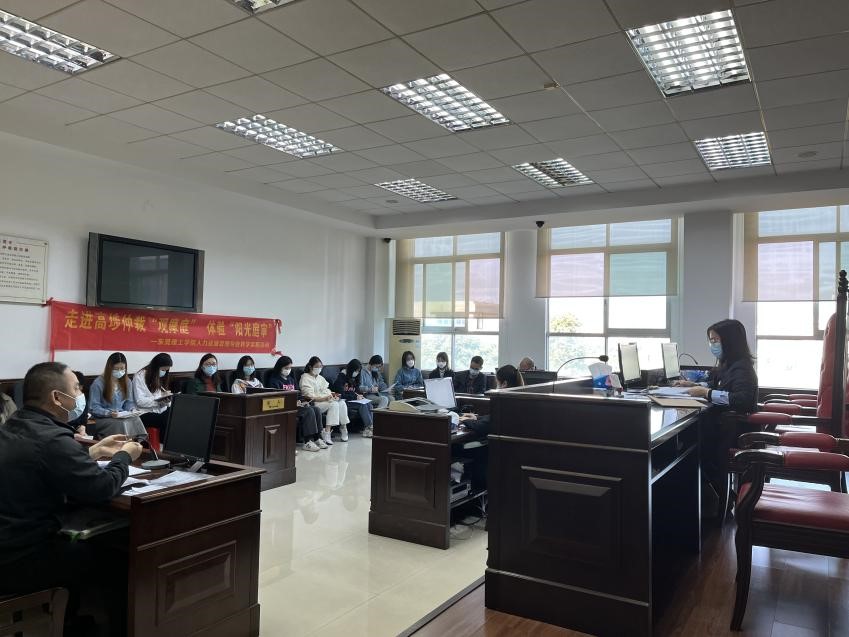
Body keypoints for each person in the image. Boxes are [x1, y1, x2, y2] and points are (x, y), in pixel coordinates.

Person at [0, 362, 143, 636]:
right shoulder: (53, 438)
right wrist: (124, 455)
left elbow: (41, 463)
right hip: (20, 559)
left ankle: (67, 619)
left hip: (8, 544)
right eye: (76, 388)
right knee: (120, 560)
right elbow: (103, 487)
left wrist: (94, 451)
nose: (80, 395)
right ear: (57, 397)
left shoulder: (16, 424)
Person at [677, 319, 758, 512]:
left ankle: (710, 498)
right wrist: (698, 386)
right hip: (724, 427)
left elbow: (742, 400)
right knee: (688, 439)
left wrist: (707, 393)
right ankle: (705, 495)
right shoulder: (729, 364)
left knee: (688, 442)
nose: (712, 345)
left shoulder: (741, 367)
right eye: (711, 340)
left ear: (730, 341)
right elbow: (721, 386)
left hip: (734, 432)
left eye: (716, 340)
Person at [267, 356, 326, 451]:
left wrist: (303, 401)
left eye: (290, 368)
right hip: (285, 407)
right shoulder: (274, 381)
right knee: (308, 411)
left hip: (296, 405)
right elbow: (276, 398)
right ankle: (307, 442)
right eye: (286, 368)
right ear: (280, 367)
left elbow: (298, 394)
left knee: (316, 409)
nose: (288, 370)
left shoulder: (291, 380)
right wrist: (293, 403)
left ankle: (317, 438)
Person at [87, 352, 146, 439]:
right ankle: (122, 444)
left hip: (120, 415)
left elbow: (128, 402)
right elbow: (94, 407)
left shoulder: (127, 382)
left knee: (136, 419)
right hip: (102, 418)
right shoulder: (98, 383)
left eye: (122, 369)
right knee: (120, 423)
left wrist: (132, 410)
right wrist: (109, 413)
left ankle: (136, 443)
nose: (119, 371)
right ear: (109, 368)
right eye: (116, 369)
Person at [462, 364, 524, 437]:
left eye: (497, 383)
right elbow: (492, 418)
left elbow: (483, 426)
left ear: (504, 384)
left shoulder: (506, 402)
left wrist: (464, 420)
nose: (496, 387)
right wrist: (477, 418)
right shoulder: (517, 400)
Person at [300, 356, 349, 446]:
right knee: (334, 405)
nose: (319, 369)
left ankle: (343, 427)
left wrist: (333, 395)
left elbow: (326, 390)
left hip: (326, 400)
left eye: (320, 367)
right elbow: (309, 396)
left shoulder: (320, 378)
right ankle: (327, 432)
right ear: (310, 367)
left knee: (341, 402)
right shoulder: (305, 378)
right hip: (316, 403)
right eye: (317, 367)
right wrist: (325, 398)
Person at [132, 352, 173, 438]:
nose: (164, 372)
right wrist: (159, 401)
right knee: (168, 419)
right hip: (143, 413)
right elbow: (140, 401)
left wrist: (166, 400)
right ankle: (163, 443)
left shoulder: (158, 376)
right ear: (155, 366)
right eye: (163, 370)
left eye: (166, 370)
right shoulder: (140, 376)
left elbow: (159, 398)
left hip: (158, 410)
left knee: (176, 414)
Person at [332, 359, 374, 439]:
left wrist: (360, 395)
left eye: (358, 371)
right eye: (356, 371)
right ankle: (369, 427)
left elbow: (356, 390)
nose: (357, 373)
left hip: (352, 400)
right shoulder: (341, 377)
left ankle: (370, 427)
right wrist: (355, 397)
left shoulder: (354, 378)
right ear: (351, 369)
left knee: (369, 404)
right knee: (362, 405)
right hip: (344, 401)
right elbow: (341, 394)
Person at [358, 355, 390, 437]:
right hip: (367, 395)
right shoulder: (362, 372)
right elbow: (360, 387)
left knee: (391, 398)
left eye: (379, 367)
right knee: (384, 399)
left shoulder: (375, 372)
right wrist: (370, 389)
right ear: (372, 363)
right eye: (377, 366)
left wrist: (387, 388)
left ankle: (381, 423)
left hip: (376, 394)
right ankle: (376, 423)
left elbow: (380, 383)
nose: (377, 369)